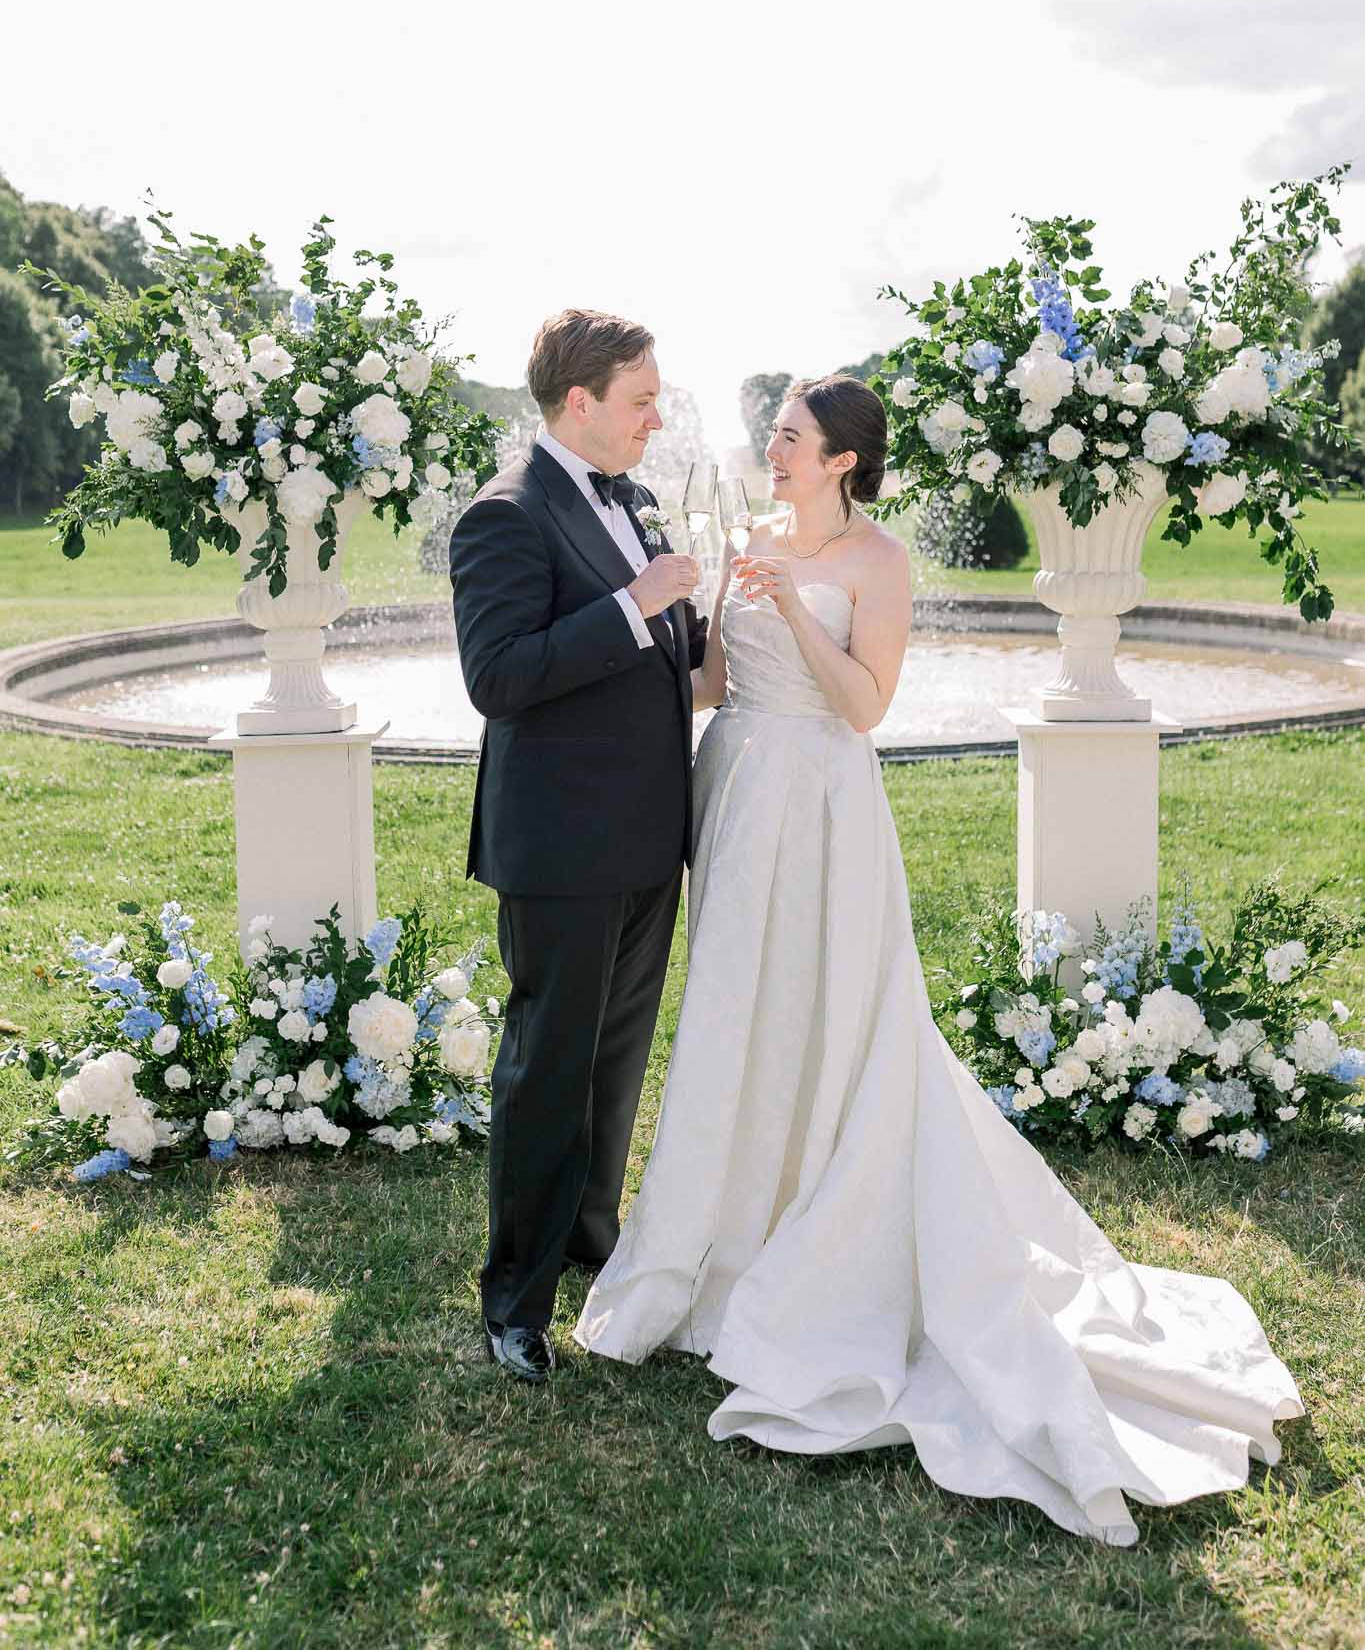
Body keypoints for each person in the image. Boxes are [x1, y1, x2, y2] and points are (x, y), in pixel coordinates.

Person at [574, 373, 1302, 1546]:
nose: (776, 447)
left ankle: (820, 1238)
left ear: (844, 461)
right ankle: (722, 1227)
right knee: (735, 1014)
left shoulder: (878, 563)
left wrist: (795, 611)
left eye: (795, 438)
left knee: (835, 1016)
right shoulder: (746, 534)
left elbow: (865, 705)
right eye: (777, 433)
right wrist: (680, 617)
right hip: (739, 791)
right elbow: (710, 683)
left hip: (823, 799)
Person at [449, 310, 706, 1383]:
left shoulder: (638, 500)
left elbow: (668, 655)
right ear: (580, 402)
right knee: (546, 1069)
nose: (658, 415)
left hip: (648, 837)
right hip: (559, 844)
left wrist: (709, 614)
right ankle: (516, 1295)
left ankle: (594, 1244)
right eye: (641, 398)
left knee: (613, 1065)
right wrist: (637, 600)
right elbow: (499, 675)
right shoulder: (502, 515)